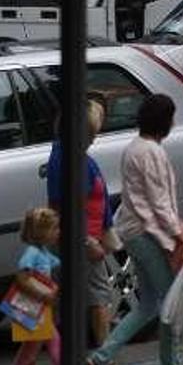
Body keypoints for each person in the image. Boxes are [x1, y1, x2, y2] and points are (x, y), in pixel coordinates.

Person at [89, 94, 183, 365]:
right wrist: (179, 236)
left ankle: (102, 356)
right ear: (165, 121)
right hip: (145, 234)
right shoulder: (151, 152)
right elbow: (159, 204)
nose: (174, 122)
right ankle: (169, 361)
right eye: (171, 116)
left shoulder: (134, 148)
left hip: (133, 232)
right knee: (168, 302)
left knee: (149, 304)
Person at [46, 100, 115, 348]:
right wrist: (88, 242)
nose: (95, 138)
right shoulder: (72, 161)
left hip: (81, 239)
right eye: (92, 133)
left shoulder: (66, 154)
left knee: (66, 298)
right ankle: (103, 354)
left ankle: (64, 351)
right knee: (98, 299)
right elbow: (69, 210)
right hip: (82, 243)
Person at [11, 207, 62, 365]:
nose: (58, 232)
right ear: (41, 232)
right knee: (46, 344)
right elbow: (21, 278)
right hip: (31, 305)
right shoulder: (32, 253)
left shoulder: (43, 252)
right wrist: (43, 295)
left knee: (32, 349)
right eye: (54, 228)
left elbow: (57, 264)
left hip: (37, 306)